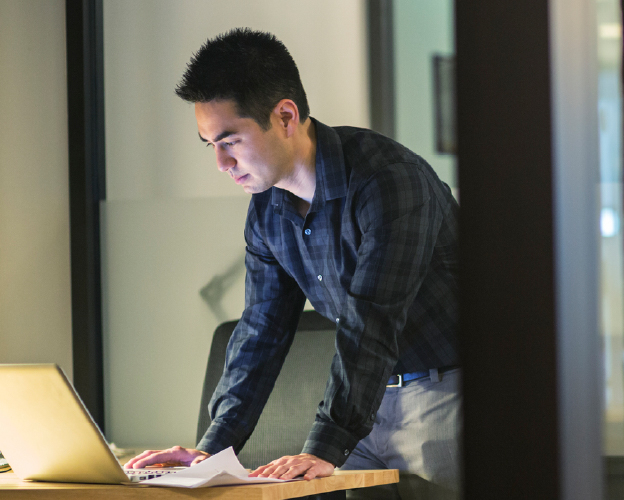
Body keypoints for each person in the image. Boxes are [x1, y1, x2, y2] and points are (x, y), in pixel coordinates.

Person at [123, 28, 461, 500]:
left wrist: (327, 442)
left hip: (444, 395)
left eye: (230, 141)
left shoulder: (387, 181)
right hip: (364, 402)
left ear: (285, 116)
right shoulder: (267, 209)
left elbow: (372, 320)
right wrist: (213, 450)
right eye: (210, 146)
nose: (221, 163)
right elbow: (262, 330)